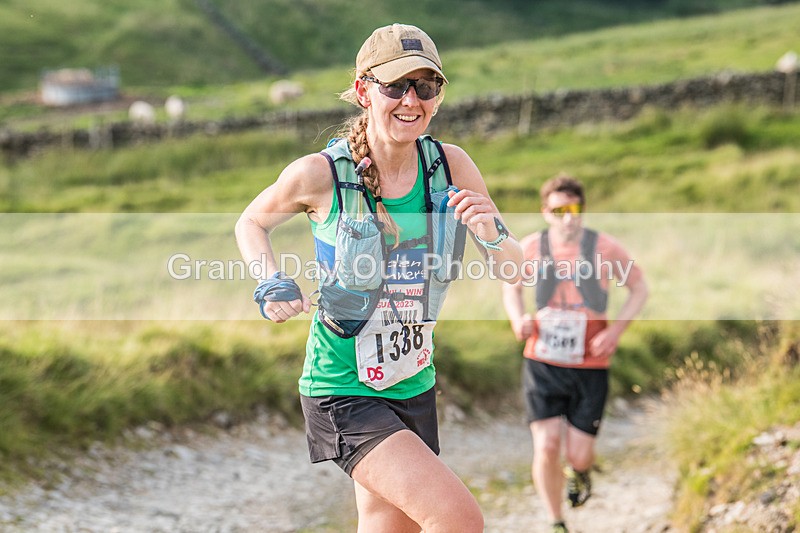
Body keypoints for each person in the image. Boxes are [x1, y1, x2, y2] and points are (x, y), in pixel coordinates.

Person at [236, 23, 522, 532]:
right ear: (365, 90)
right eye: (396, 86)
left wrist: (493, 235)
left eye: (425, 87)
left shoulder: (451, 166)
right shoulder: (320, 174)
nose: (411, 100)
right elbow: (251, 221)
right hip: (341, 386)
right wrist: (271, 281)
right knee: (457, 519)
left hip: (413, 381)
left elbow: (514, 269)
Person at [502, 174, 648, 533]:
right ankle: (556, 521)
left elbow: (639, 288)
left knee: (578, 454)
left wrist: (615, 331)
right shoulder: (532, 247)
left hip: (590, 365)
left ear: (583, 210)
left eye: (575, 209)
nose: (568, 217)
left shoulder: (605, 248)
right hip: (543, 361)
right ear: (546, 212)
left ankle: (580, 472)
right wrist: (518, 318)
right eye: (559, 210)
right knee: (548, 445)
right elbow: (511, 287)